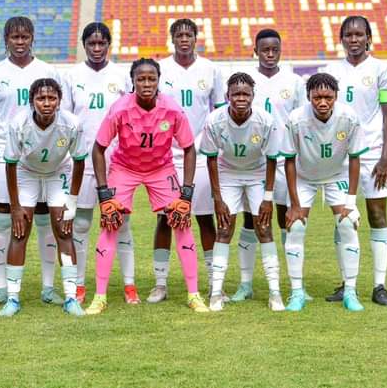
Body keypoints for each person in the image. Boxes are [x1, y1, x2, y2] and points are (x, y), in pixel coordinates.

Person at [84, 58, 209, 315]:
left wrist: (187, 192)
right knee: (110, 220)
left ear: (158, 80)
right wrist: (103, 192)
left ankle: (194, 294)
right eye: (141, 79)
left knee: (181, 219)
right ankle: (99, 296)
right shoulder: (119, 108)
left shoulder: (172, 109)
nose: (146, 83)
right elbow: (98, 148)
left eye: (151, 78)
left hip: (161, 169)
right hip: (124, 168)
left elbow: (189, 149)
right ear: (133, 81)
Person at [0, 16, 64, 307]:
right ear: (6, 40)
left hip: (46, 155)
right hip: (7, 155)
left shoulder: (48, 70)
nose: (19, 42)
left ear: (32, 39)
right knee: (4, 219)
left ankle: (49, 287)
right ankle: (2, 286)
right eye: (14, 37)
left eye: (24, 37)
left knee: (44, 221)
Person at [228, 28, 307, 303]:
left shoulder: (295, 81)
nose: (270, 54)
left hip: (286, 161)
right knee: (251, 221)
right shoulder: (248, 81)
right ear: (256, 51)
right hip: (256, 164)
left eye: (275, 49)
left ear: (280, 50)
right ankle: (246, 284)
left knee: (289, 221)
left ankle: (295, 284)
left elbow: (300, 119)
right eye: (265, 50)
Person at [62, 22, 138, 304]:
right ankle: (80, 285)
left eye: (101, 43)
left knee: (121, 223)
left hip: (117, 163)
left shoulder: (121, 76)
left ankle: (129, 285)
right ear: (84, 45)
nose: (96, 48)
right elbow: (66, 121)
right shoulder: (71, 77)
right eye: (91, 44)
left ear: (109, 45)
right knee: (80, 223)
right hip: (81, 163)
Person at [150, 18, 225, 303]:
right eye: (179, 34)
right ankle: (160, 284)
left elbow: (219, 113)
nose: (184, 38)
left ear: (196, 38)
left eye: (188, 34)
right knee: (165, 219)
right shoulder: (162, 69)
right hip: (167, 157)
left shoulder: (210, 69)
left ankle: (213, 283)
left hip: (202, 154)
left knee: (205, 218)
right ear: (172, 39)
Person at [0, 78, 86, 317]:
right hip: (27, 174)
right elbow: (11, 165)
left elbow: (79, 162)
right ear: (32, 101)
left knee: (64, 231)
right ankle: (13, 298)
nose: (46, 103)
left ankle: (70, 297)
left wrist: (72, 202)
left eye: (51, 98)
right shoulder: (19, 123)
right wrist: (15, 207)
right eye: (41, 98)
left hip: (58, 173)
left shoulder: (71, 123)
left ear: (59, 101)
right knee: (20, 231)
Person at [325, 15, 387, 306]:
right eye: (348, 35)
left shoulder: (381, 68)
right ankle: (347, 282)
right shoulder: (331, 70)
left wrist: (385, 157)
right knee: (345, 221)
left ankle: (379, 285)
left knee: (377, 216)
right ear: (341, 39)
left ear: (368, 37)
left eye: (359, 34)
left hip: (373, 154)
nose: (354, 40)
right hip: (341, 158)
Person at [282, 73, 368, 312]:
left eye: (328, 97)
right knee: (296, 226)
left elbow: (355, 158)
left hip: (337, 176)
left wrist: (351, 201)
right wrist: (295, 204)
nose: (322, 102)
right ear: (308, 96)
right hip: (304, 177)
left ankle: (350, 290)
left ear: (336, 96)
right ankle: (297, 292)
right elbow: (289, 160)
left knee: (348, 224)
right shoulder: (296, 119)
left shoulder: (349, 117)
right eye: (317, 97)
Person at [200, 72, 285, 312]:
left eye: (245, 94)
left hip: (258, 174)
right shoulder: (214, 120)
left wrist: (268, 198)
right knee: (225, 228)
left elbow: (271, 159)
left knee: (264, 228)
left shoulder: (265, 120)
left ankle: (275, 293)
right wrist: (217, 198)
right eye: (235, 94)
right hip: (228, 174)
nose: (240, 98)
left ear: (253, 96)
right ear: (227, 96)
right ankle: (216, 293)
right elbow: (210, 159)